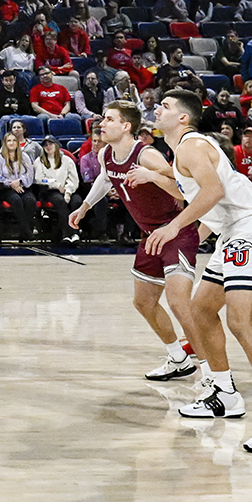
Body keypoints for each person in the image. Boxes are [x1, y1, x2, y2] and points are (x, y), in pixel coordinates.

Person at [131, 90, 252, 452]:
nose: (157, 109)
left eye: (165, 106)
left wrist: (173, 227)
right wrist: (158, 182)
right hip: (232, 234)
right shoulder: (180, 153)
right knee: (200, 310)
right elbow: (196, 193)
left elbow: (211, 191)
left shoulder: (191, 145)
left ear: (183, 118)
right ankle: (224, 392)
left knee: (240, 320)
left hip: (249, 233)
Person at [67, 103, 215, 382]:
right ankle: (178, 359)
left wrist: (152, 176)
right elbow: (105, 178)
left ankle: (212, 374)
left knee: (179, 304)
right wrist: (84, 207)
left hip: (174, 232)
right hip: (149, 235)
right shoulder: (106, 154)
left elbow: (182, 190)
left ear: (126, 126)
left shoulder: (147, 155)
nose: (102, 124)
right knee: (144, 302)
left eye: (109, 119)